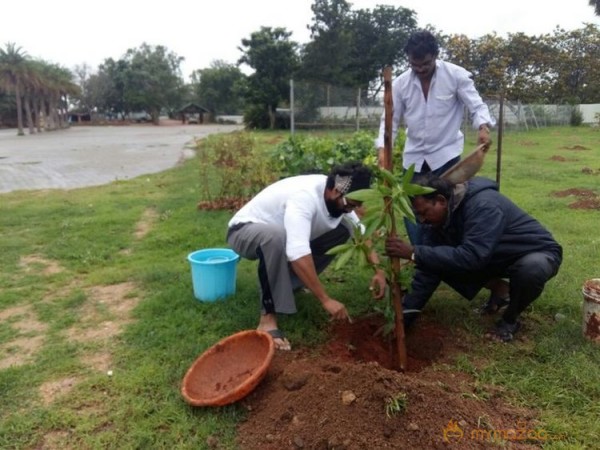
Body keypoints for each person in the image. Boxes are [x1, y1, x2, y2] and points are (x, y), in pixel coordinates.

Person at [227, 162, 387, 350]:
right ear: (336, 191)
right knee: (275, 237)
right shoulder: (304, 198)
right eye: (351, 204)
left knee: (342, 229)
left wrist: (378, 271)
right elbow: (298, 253)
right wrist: (325, 299)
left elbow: (361, 236)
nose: (351, 210)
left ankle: (291, 284)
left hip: (281, 234)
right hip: (244, 231)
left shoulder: (337, 196)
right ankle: (267, 321)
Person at [384, 174, 562, 342]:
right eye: (418, 215)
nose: (422, 221)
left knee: (531, 269)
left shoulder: (483, 205)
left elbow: (472, 257)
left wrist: (414, 252)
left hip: (535, 253)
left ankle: (509, 320)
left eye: (424, 212)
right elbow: (428, 271)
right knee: (439, 259)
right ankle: (501, 291)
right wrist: (403, 319)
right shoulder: (437, 222)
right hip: (494, 255)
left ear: (441, 201)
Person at [375, 30, 495, 244]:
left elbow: (476, 106)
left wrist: (483, 127)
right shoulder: (401, 84)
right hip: (414, 161)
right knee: (413, 210)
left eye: (426, 64)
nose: (420, 69)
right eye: (415, 64)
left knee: (447, 208)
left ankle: (445, 255)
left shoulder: (456, 75)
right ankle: (419, 255)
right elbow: (389, 121)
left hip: (446, 157)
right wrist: (383, 151)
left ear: (435, 55)